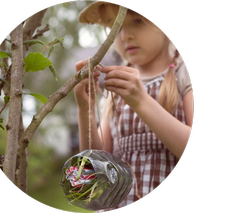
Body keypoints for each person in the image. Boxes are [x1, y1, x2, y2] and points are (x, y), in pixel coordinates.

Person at [73, 1, 194, 212]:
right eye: (115, 26)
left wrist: (141, 101)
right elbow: (98, 163)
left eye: (138, 21)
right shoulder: (113, 89)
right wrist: (86, 109)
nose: (125, 35)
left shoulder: (182, 74)